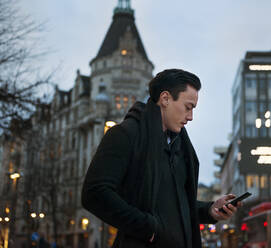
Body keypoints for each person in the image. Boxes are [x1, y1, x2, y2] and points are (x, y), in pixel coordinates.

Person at [82, 69, 241, 248]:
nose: (190, 117)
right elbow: (94, 193)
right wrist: (147, 228)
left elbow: (172, 206)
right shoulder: (125, 135)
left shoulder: (181, 147)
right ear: (165, 99)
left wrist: (209, 210)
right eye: (188, 107)